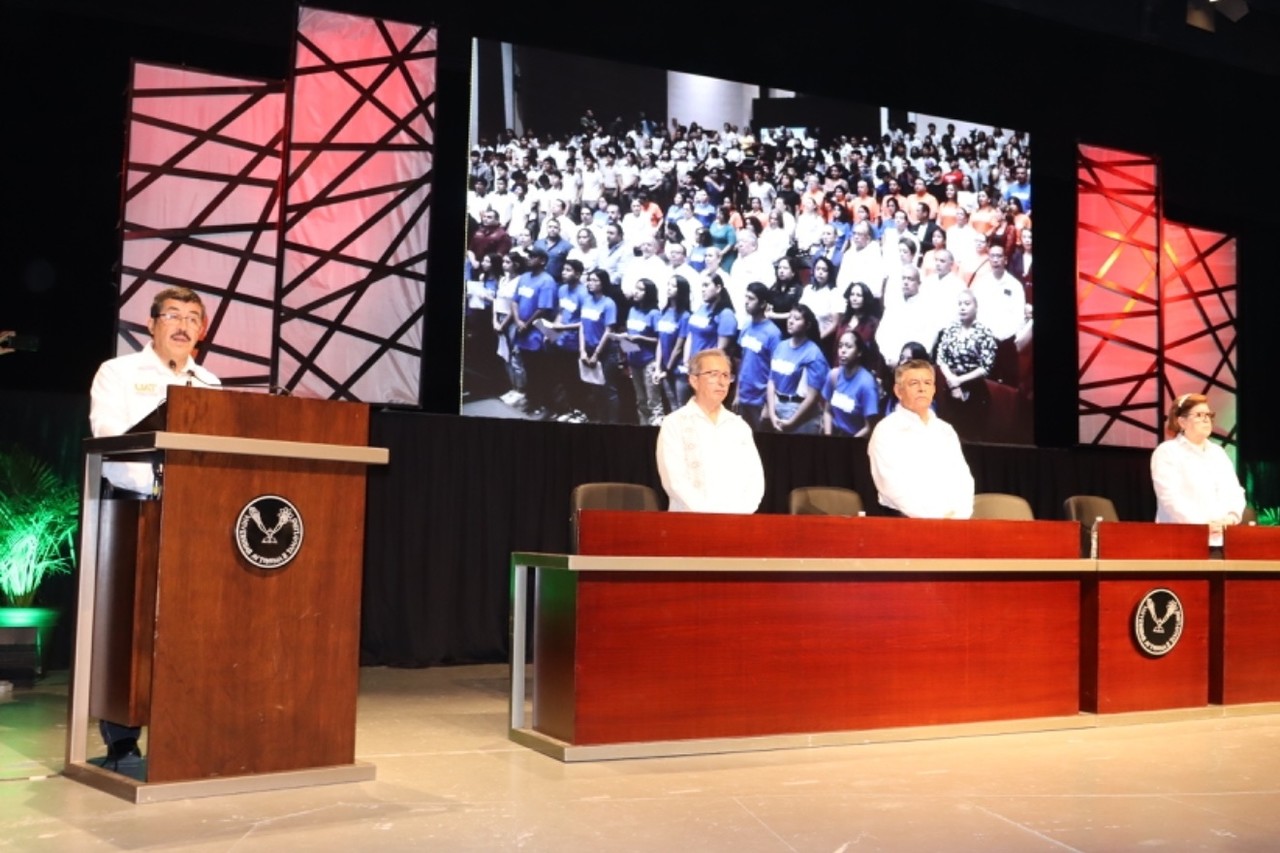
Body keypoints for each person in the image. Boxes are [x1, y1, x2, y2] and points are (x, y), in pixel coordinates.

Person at [87, 285, 221, 770]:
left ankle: (182, 726)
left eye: (193, 318)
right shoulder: (118, 374)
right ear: (152, 324)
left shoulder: (209, 383)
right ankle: (122, 740)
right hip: (133, 511)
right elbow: (107, 440)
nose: (184, 325)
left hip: (194, 520)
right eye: (173, 316)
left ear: (202, 332)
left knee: (186, 630)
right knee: (130, 632)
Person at [655, 348, 765, 513]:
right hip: (689, 523)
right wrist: (710, 517)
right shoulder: (675, 423)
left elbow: (755, 481)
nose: (722, 382)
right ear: (694, 380)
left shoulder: (739, 427)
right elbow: (674, 481)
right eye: (713, 374)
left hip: (736, 523)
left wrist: (739, 515)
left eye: (726, 376)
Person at [867, 358, 974, 518]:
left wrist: (960, 516)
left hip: (953, 523)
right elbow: (892, 487)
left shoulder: (945, 430)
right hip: (903, 522)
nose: (922, 389)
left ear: (934, 389)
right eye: (914, 383)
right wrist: (936, 519)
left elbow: (963, 480)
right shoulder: (886, 430)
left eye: (927, 383)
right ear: (898, 391)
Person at [1151, 393, 1246, 542]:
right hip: (1180, 541)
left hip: (1221, 540)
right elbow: (1169, 498)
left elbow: (1235, 492)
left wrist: (1230, 518)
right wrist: (1203, 525)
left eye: (1209, 415)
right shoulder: (1167, 452)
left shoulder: (1218, 453)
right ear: (1182, 422)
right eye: (1199, 415)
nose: (1206, 419)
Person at [822, 329, 880, 437]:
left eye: (848, 347)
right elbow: (827, 411)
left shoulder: (867, 384)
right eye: (840, 346)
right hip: (834, 433)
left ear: (859, 352)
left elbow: (869, 427)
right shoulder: (834, 375)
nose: (842, 351)